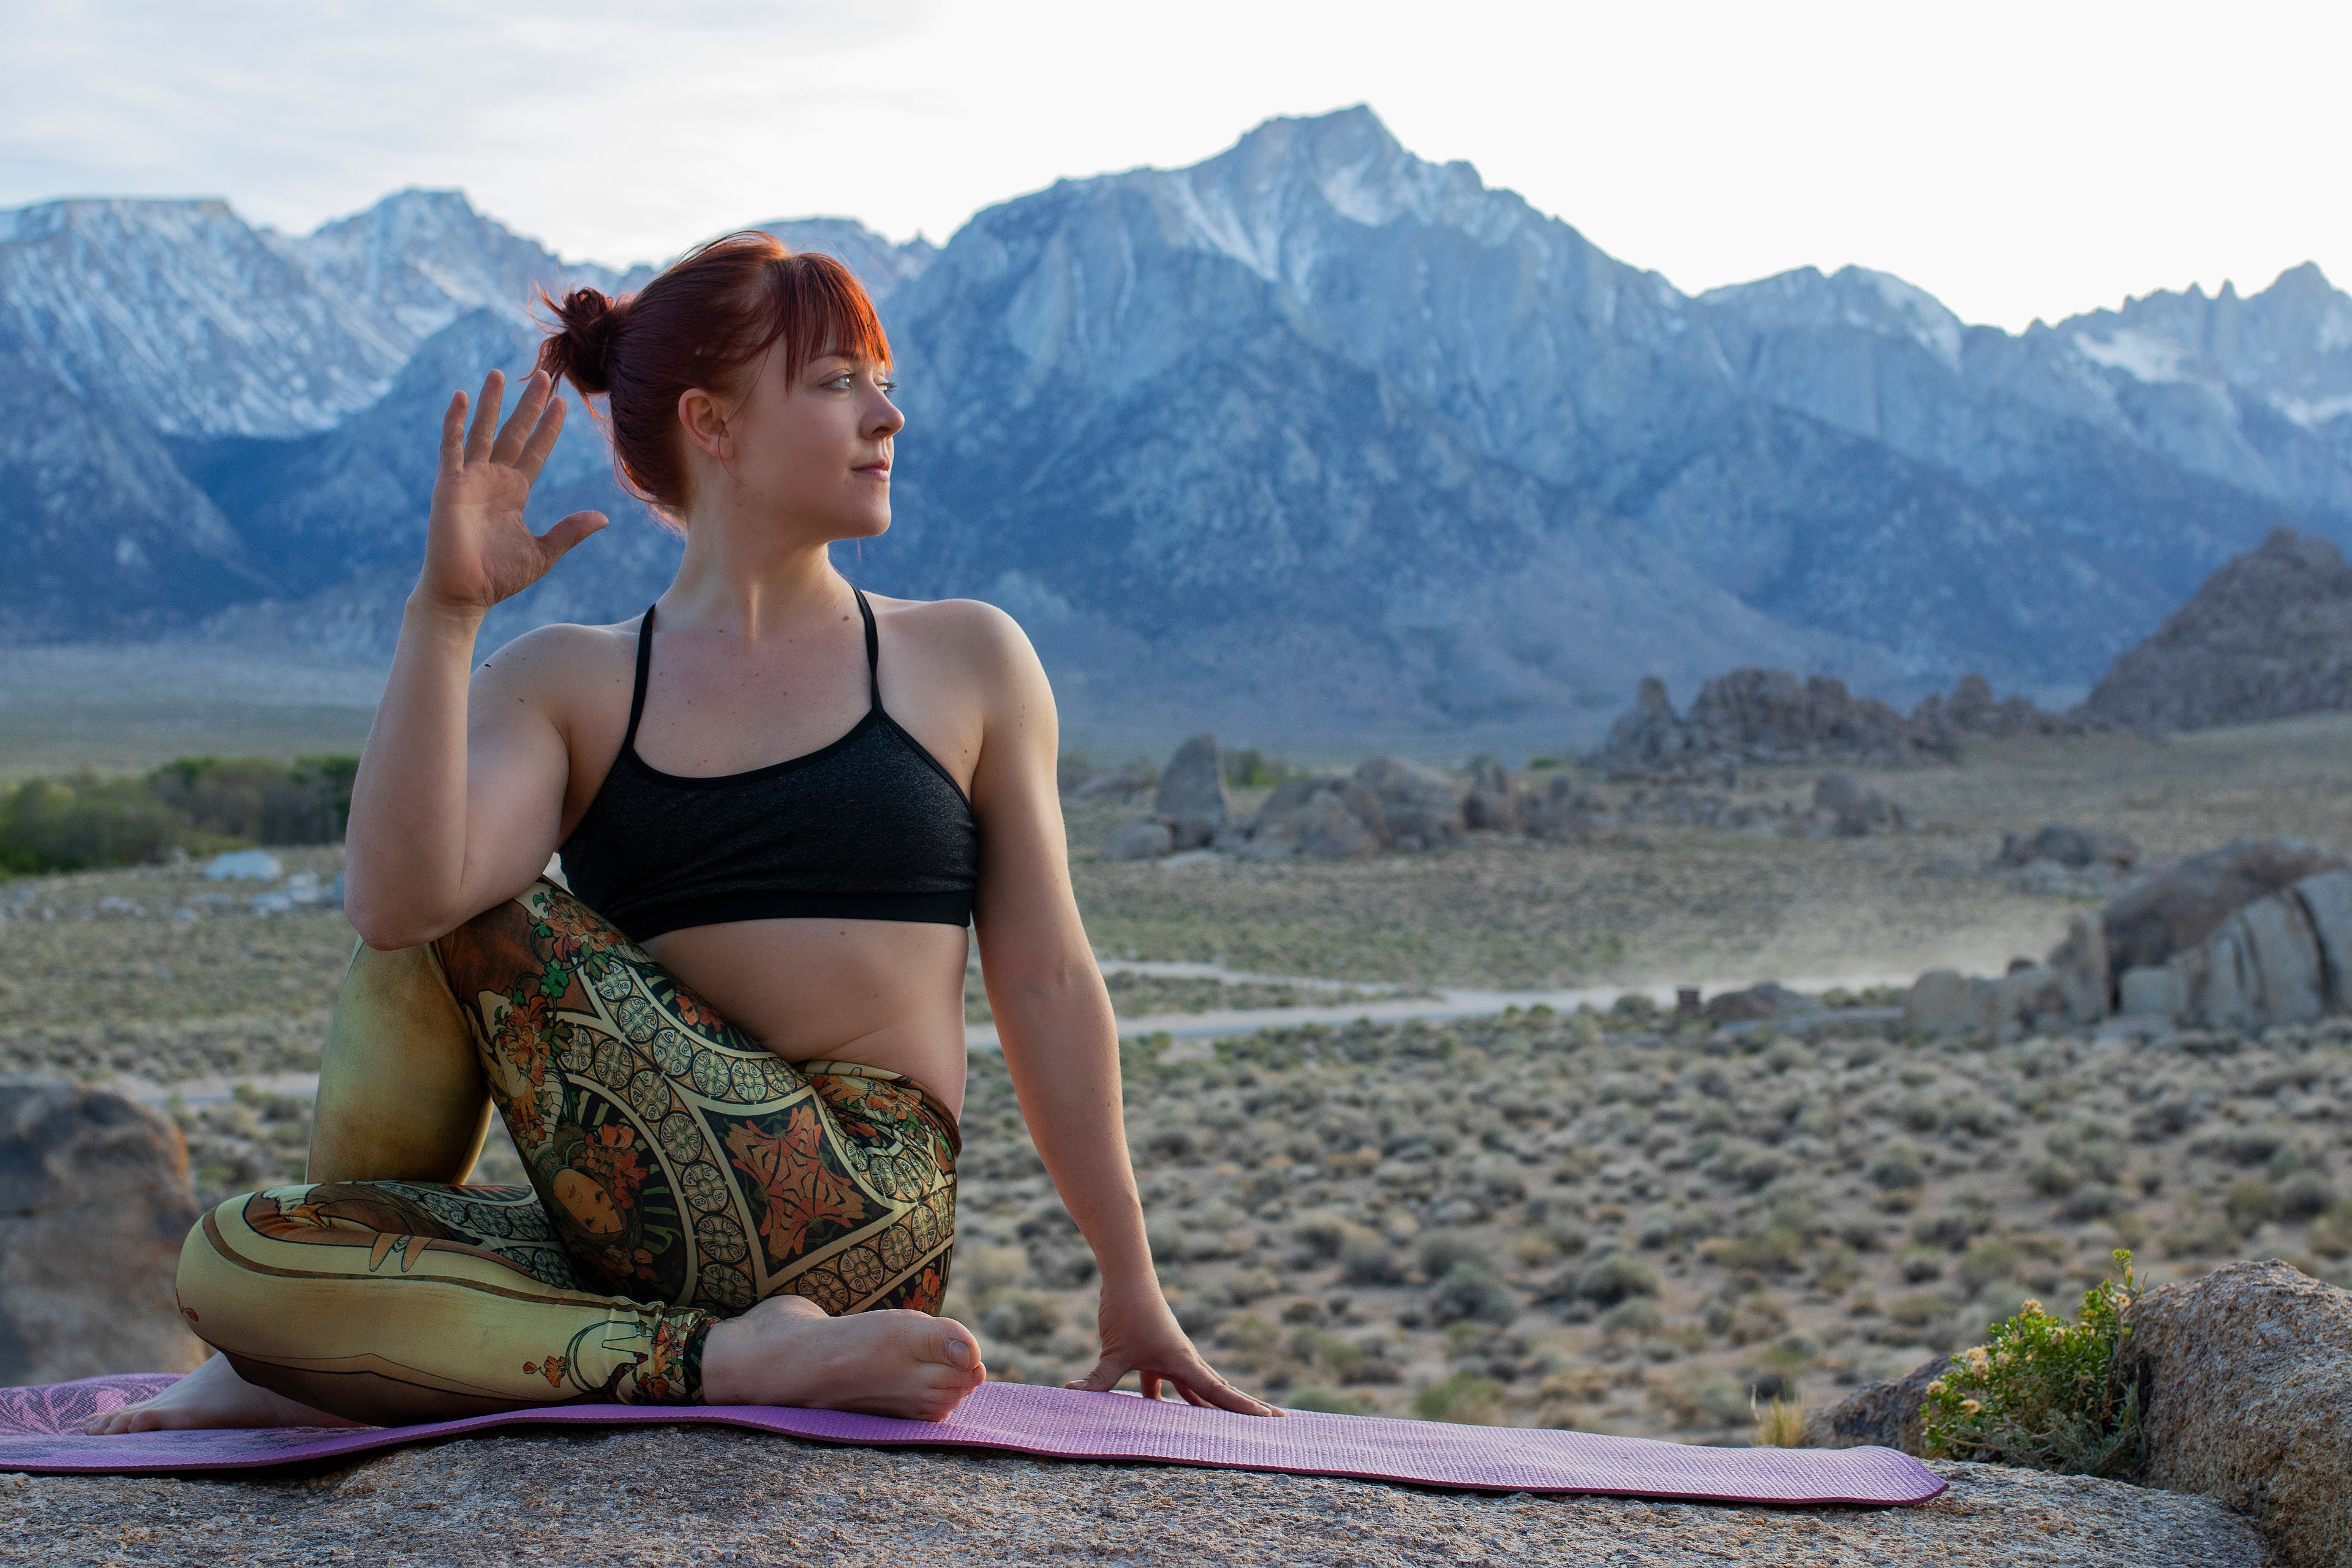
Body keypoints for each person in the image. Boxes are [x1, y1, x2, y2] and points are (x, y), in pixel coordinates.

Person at [91, 231, 1274, 1433]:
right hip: (636, 1232)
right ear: (713, 426)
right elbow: (397, 906)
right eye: (837, 382)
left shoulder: (967, 657)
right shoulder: (568, 678)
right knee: (237, 1259)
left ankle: (607, 1350)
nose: (888, 416)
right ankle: (699, 1356)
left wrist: (1131, 1286)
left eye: (885, 379)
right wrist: (445, 616)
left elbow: (1050, 976)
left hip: (863, 1205)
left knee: (472, 910)